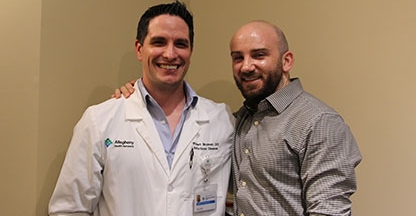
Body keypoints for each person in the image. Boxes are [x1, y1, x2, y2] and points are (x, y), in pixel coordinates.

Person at [114, 20, 362, 216]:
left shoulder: (319, 123)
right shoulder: (236, 121)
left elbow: (329, 211)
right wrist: (137, 97)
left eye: (259, 55)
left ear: (287, 61)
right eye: (238, 57)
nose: (246, 66)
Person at [48, 1, 235, 216]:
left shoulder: (222, 120)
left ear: (191, 51)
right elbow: (69, 209)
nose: (170, 54)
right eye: (159, 42)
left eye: (181, 44)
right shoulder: (100, 120)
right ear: (139, 49)